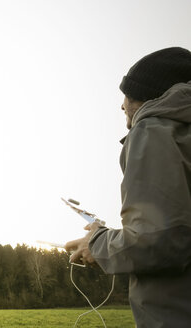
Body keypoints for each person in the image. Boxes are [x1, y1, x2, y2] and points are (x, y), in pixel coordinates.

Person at [65, 47, 191, 327]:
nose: (123, 105)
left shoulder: (154, 131)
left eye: (129, 95)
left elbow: (161, 242)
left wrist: (96, 242)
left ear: (151, 97)